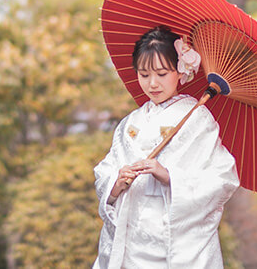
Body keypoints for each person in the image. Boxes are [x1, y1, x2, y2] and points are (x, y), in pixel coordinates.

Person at [92, 26, 239, 269]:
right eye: (144, 74)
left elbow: (223, 178)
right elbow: (105, 170)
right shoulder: (130, 122)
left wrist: (169, 176)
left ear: (180, 71)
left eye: (161, 74)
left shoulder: (198, 119)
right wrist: (115, 184)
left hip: (175, 241)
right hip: (131, 239)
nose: (152, 84)